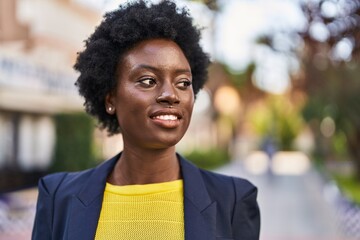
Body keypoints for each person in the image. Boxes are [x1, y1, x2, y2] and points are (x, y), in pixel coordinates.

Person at [31, 1, 260, 239]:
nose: (171, 95)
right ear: (111, 98)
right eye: (148, 81)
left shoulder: (233, 200)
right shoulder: (59, 197)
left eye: (183, 83)